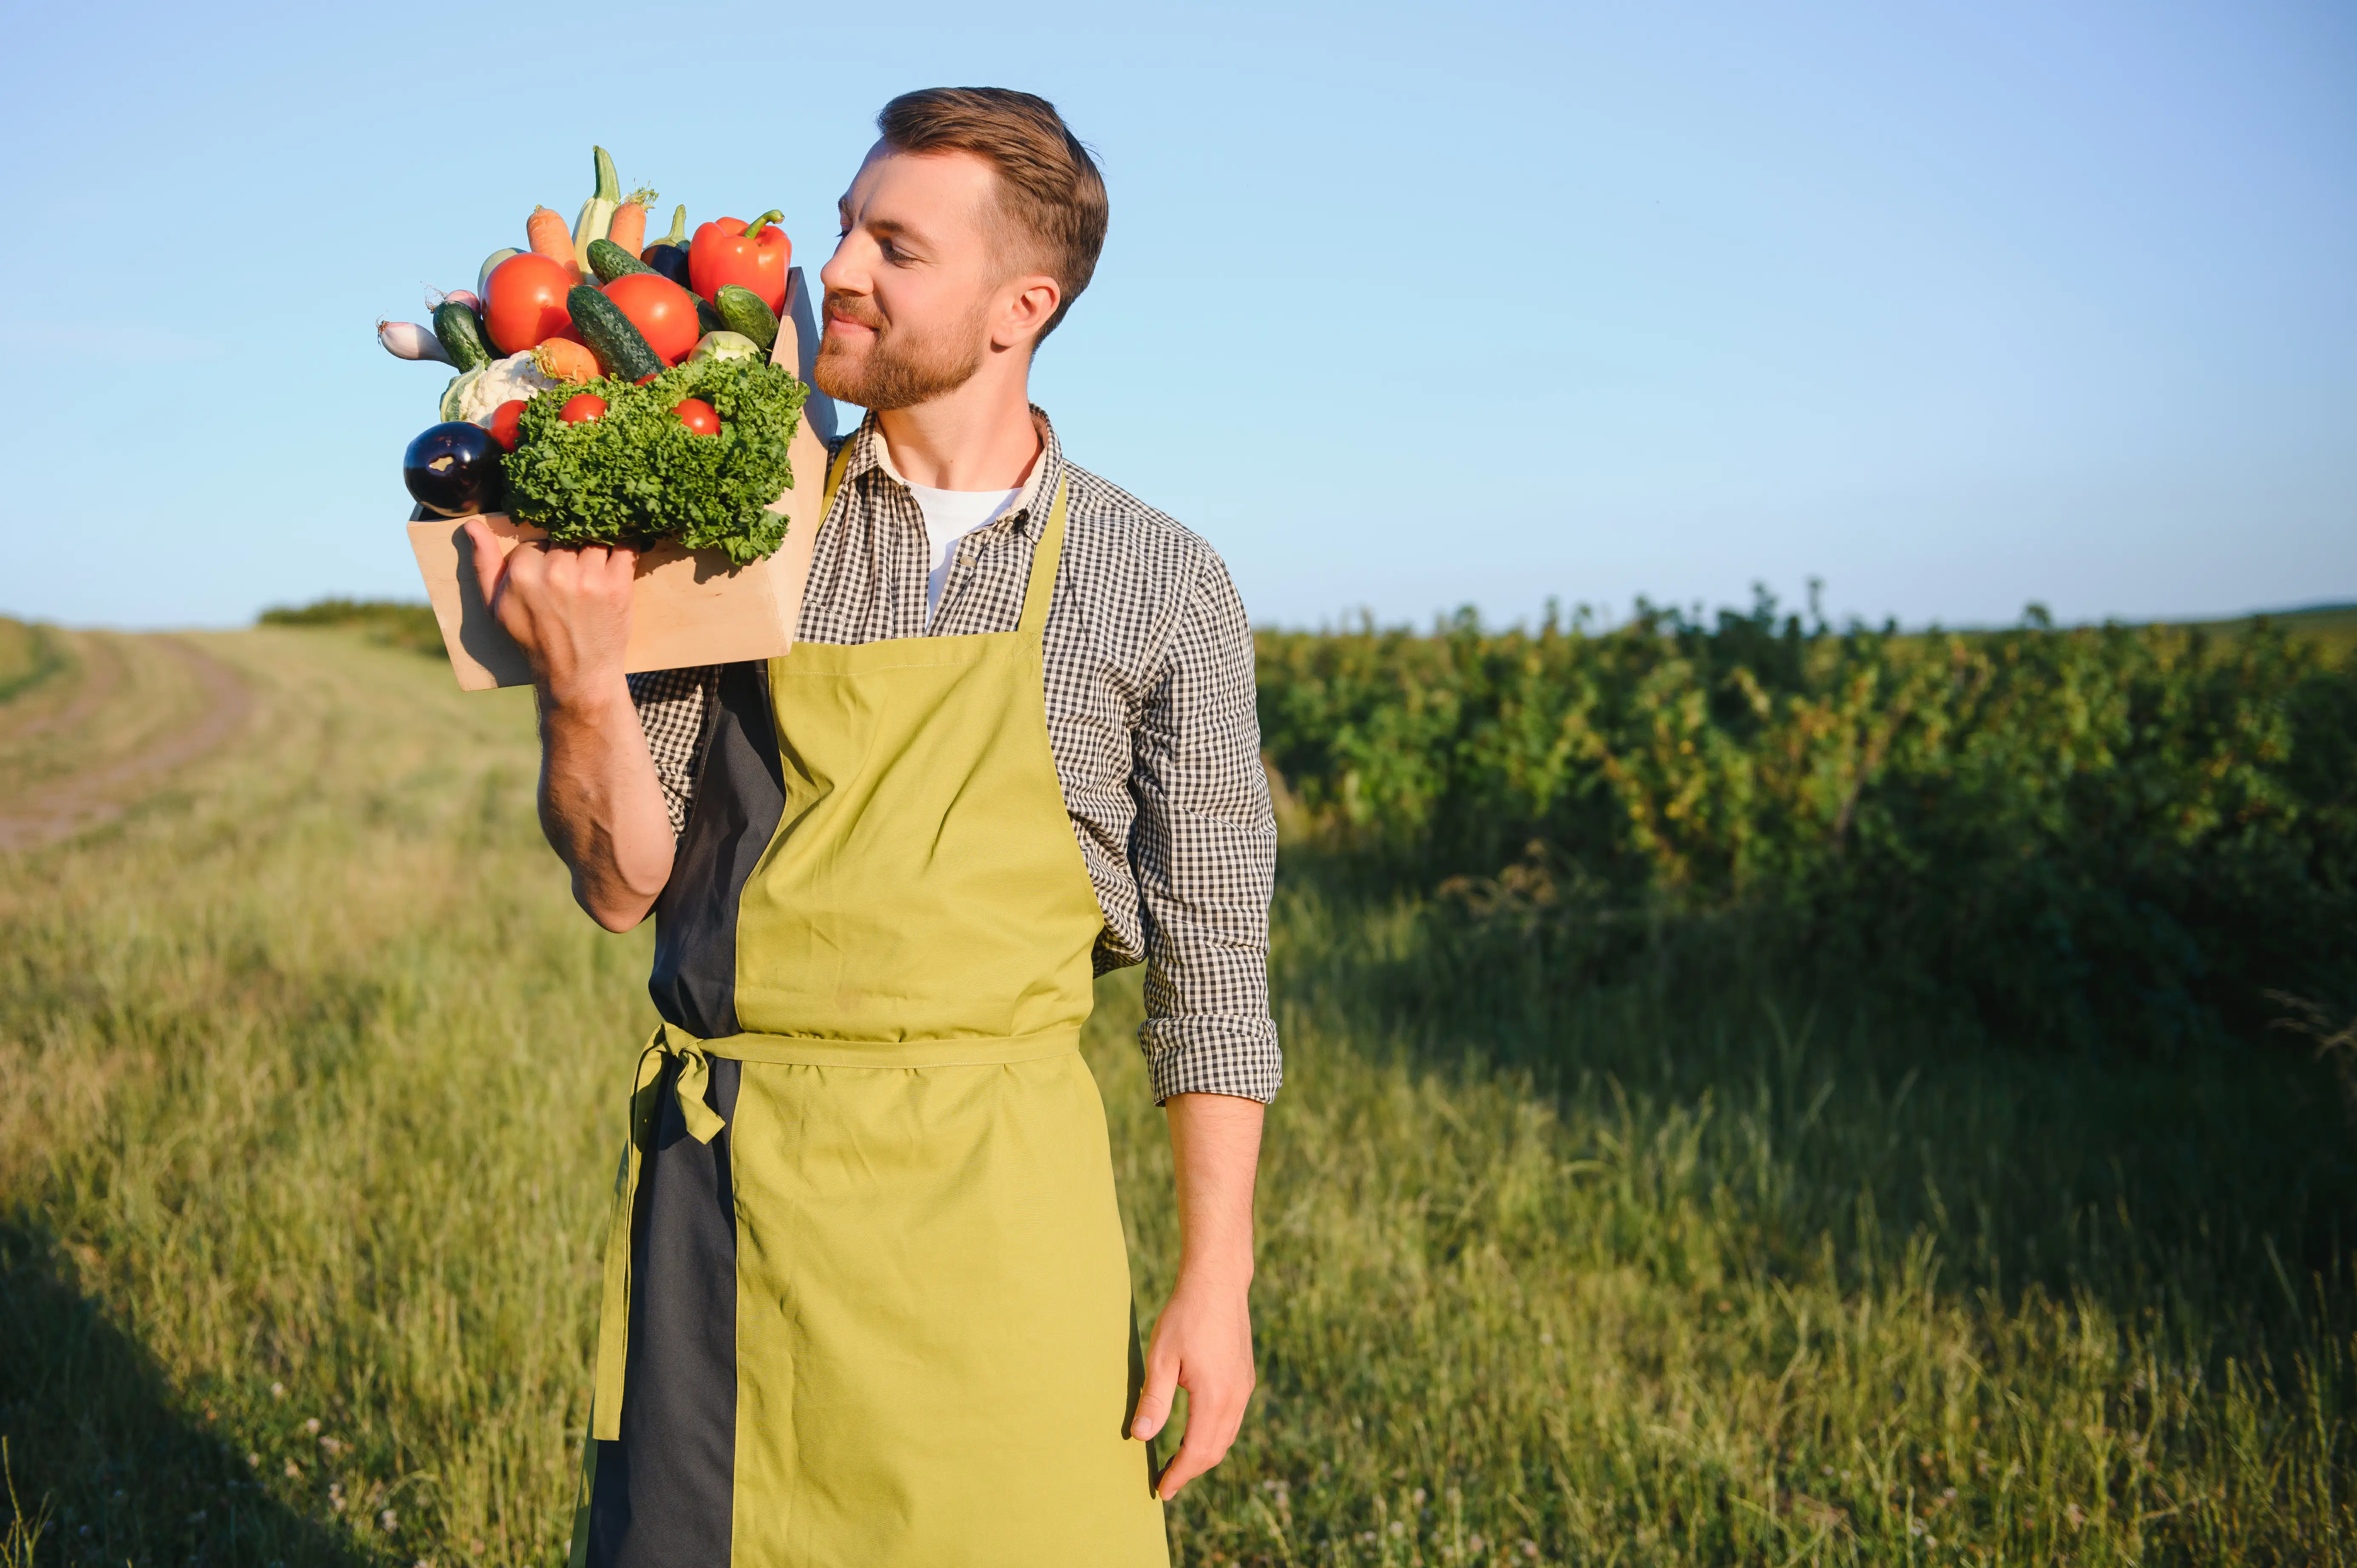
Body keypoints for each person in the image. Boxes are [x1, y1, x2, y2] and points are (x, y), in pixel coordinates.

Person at [467, 87, 1279, 1568]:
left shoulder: (1159, 581)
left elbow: (1216, 968)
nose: (832, 268)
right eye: (846, 226)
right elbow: (617, 883)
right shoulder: (737, 530)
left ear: (1017, 305)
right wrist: (580, 687)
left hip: (1000, 1212)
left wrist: (1214, 1285)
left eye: (893, 246)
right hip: (736, 1198)